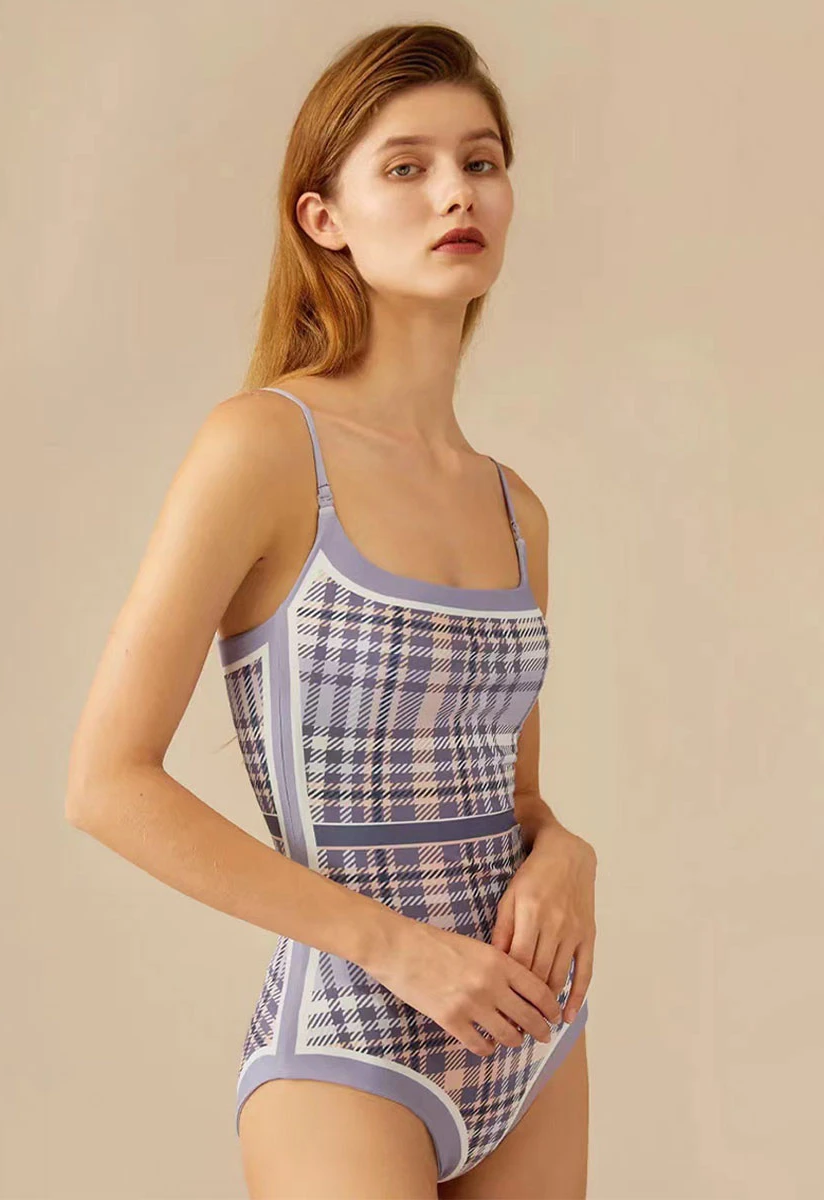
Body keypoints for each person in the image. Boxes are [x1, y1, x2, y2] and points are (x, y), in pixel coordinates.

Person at [65, 21, 597, 1200]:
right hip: (356, 1038)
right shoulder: (264, 448)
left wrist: (568, 852)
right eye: (407, 166)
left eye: (481, 161)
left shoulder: (518, 510)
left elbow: (510, 799)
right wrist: (399, 950)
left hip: (530, 1031)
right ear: (324, 218)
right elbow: (106, 783)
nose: (456, 191)